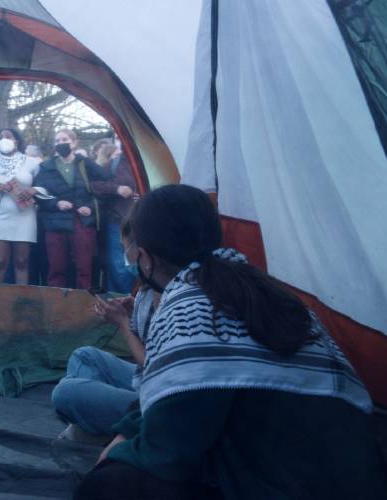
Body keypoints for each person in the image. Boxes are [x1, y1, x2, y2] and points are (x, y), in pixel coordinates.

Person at [74, 184, 387, 500]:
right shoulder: (258, 286)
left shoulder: (187, 308)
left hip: (291, 481)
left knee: (105, 483)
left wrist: (120, 452)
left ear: (143, 257)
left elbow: (168, 450)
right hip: (352, 465)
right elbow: (190, 396)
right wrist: (130, 429)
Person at [52, 277, 154, 441]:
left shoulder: (182, 301)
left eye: (132, 250)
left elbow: (157, 368)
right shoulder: (163, 287)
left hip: (160, 403)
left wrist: (123, 324)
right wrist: (136, 312)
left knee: (65, 392)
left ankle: (100, 431)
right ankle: (93, 428)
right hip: (148, 381)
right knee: (84, 356)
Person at [33, 129, 106, 289]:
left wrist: (90, 207)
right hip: (54, 221)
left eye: (64, 139)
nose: (60, 143)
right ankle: (57, 303)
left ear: (74, 142)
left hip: (82, 220)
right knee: (56, 268)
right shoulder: (45, 167)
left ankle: (82, 304)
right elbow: (37, 192)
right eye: (57, 141)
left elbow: (104, 188)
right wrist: (56, 203)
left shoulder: (86, 164)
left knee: (84, 266)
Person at [0, 128, 40, 285]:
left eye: (8, 136)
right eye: (1, 137)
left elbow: (44, 188)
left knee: (22, 261)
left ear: (16, 141)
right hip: (0, 217)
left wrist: (33, 190)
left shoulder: (32, 163)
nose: (4, 139)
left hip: (25, 217)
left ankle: (20, 303)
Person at [90, 148, 137, 294]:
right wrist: (116, 188)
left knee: (140, 264)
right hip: (117, 221)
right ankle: (118, 302)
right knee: (117, 266)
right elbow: (94, 185)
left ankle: (134, 302)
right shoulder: (114, 164)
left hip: (143, 222)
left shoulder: (151, 161)